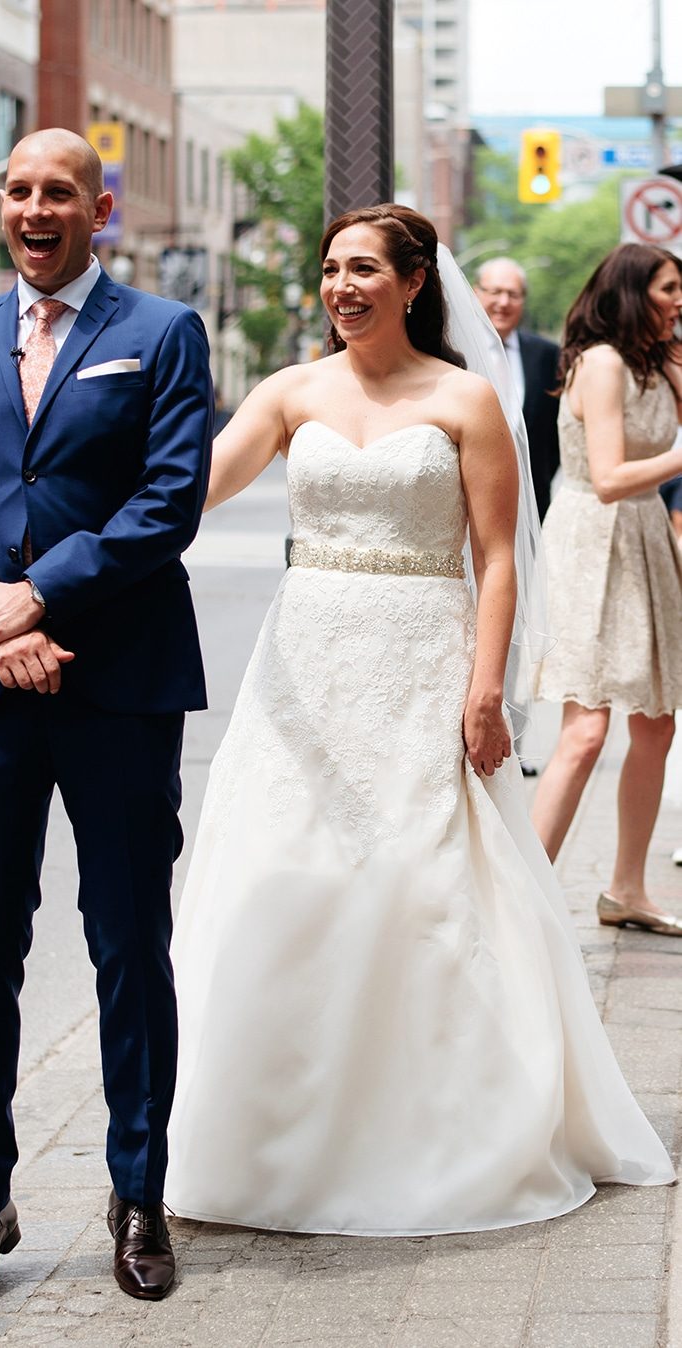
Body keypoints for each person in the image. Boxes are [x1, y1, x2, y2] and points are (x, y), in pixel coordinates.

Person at [164, 205, 673, 1238]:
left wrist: (486, 690)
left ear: (409, 283)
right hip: (303, 664)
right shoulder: (289, 390)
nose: (341, 286)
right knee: (281, 875)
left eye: (363, 269)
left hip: (423, 663)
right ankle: (267, 1132)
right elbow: (189, 492)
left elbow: (496, 558)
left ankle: (436, 1124)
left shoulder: (465, 398)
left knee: (422, 883)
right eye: (329, 269)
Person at [0, 128, 213, 1306]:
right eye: (20, 191)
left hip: (120, 681)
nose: (37, 209)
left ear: (102, 208)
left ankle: (139, 1194)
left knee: (129, 945)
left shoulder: (164, 333)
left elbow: (168, 499)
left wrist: (45, 592)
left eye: (60, 192)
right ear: (2, 208)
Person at [531, 243, 682, 935]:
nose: (679, 301)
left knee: (656, 722)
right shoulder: (601, 363)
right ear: (631, 292)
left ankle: (626, 888)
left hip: (647, 539)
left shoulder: (662, 364)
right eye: (670, 289)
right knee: (586, 729)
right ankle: (524, 893)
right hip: (594, 538)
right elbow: (610, 474)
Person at [474, 257, 560, 524]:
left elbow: (554, 430)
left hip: (533, 505)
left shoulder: (547, 354)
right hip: (469, 505)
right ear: (476, 293)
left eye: (513, 294)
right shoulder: (452, 351)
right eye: (495, 292)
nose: (503, 302)